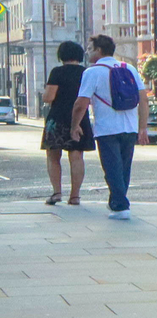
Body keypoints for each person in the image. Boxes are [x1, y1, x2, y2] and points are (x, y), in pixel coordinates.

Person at [72, 34, 143, 220]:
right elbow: (143, 99)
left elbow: (81, 103)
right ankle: (116, 203)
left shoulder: (92, 72)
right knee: (123, 169)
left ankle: (121, 207)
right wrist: (142, 127)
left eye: (89, 49)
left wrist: (75, 126)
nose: (87, 52)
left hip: (107, 128)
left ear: (99, 51)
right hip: (130, 126)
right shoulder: (129, 68)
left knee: (112, 168)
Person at [40, 40, 93, 206]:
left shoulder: (57, 72)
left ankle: (56, 192)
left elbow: (49, 97)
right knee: (77, 156)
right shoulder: (85, 72)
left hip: (57, 118)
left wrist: (44, 93)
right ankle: (75, 196)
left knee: (53, 155)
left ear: (61, 55)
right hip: (79, 117)